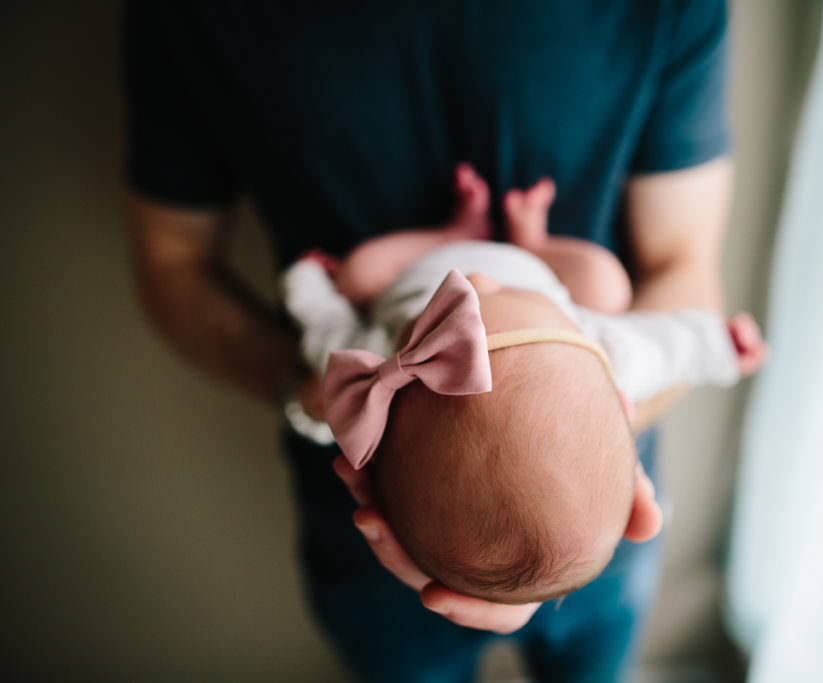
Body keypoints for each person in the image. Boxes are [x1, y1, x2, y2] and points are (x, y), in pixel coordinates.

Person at [123, 1, 739, 679]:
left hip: (596, 514)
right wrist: (312, 392)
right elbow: (175, 265)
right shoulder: (193, 17)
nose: (473, 280)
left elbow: (681, 267)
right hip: (374, 507)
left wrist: (605, 434)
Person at [280, 166, 763, 605]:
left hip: (420, 263)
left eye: (490, 293)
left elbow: (325, 334)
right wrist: (718, 346)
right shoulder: (598, 348)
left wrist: (306, 287)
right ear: (621, 400)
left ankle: (453, 232)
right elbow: (662, 348)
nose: (478, 278)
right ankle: (534, 240)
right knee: (605, 283)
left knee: (358, 273)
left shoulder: (380, 361)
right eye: (503, 296)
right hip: (539, 267)